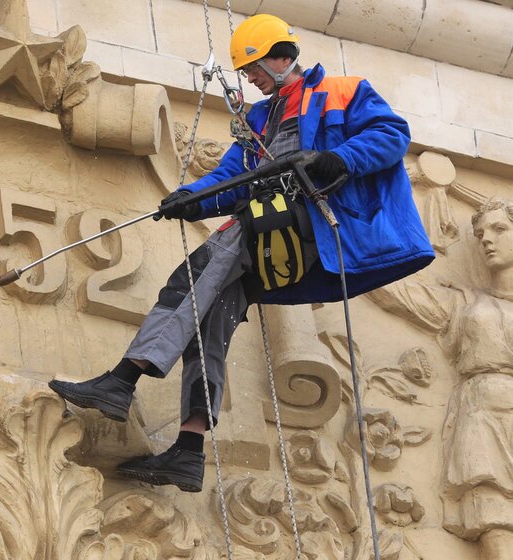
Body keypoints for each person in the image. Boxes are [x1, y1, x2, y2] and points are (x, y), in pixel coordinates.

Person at [49, 14, 435, 493]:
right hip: (271, 227)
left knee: (193, 275)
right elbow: (233, 180)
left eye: (252, 67)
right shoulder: (259, 120)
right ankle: (189, 451)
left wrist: (339, 159)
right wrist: (189, 197)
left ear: (279, 57)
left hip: (313, 224)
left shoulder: (342, 91)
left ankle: (123, 380)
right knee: (210, 313)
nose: (248, 78)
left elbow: (392, 134)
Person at [369, 199, 513, 560]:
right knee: (493, 513)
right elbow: (398, 293)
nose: (486, 241)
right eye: (480, 234)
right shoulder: (464, 303)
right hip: (484, 412)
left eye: (500, 230)